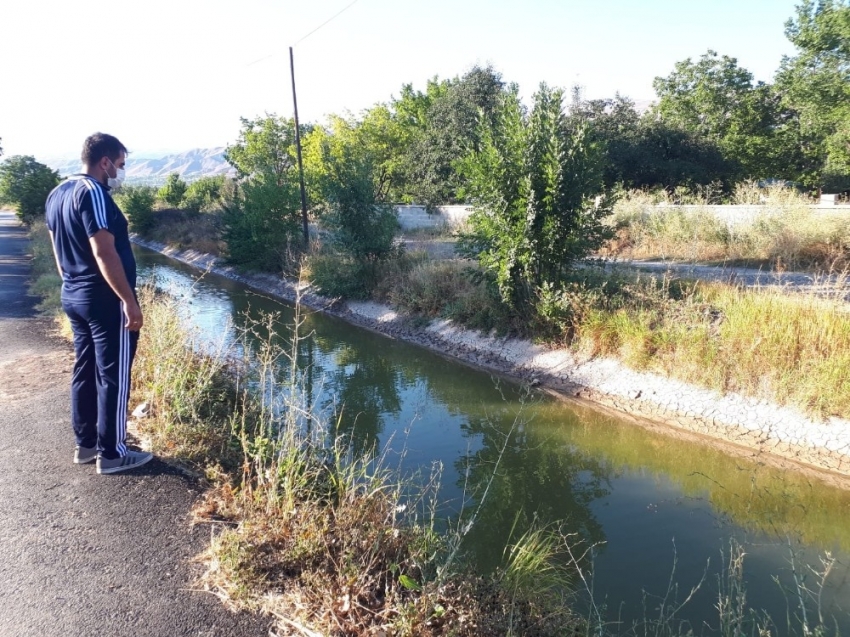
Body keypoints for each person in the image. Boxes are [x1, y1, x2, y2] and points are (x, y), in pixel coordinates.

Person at [45, 132, 153, 474]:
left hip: (75, 295)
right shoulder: (93, 193)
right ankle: (112, 454)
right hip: (104, 301)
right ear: (105, 161)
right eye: (120, 164)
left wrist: (73, 284)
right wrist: (129, 301)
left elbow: (58, 249)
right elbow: (103, 251)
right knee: (114, 375)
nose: (120, 172)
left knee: (85, 369)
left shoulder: (57, 193)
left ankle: (87, 444)